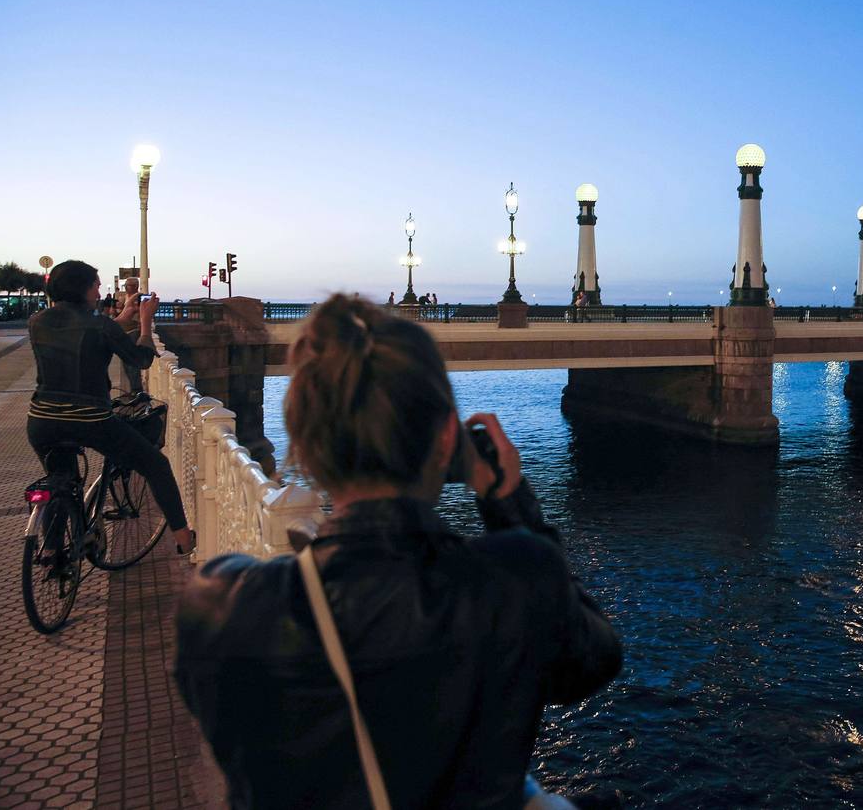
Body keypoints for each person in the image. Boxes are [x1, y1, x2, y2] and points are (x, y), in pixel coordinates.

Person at [175, 294, 622, 809]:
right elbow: (592, 663)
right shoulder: (516, 578)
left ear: (303, 439)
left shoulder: (221, 603)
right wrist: (509, 504)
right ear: (448, 437)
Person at [27, 261, 196, 554]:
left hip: (42, 420)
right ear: (83, 288)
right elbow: (141, 359)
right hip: (90, 420)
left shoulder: (38, 320)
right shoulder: (99, 324)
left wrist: (123, 316)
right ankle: (184, 539)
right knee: (157, 465)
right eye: (95, 284)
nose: (98, 290)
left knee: (61, 479)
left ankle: (54, 552)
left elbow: (82, 335)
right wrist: (144, 322)